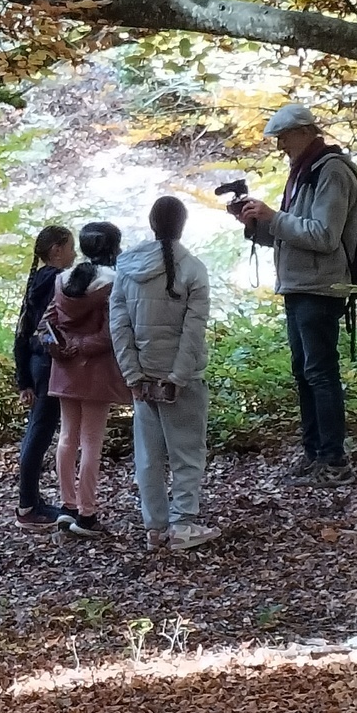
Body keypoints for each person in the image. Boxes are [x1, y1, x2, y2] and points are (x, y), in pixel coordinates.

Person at [239, 103, 357, 487]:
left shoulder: (331, 171)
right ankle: (314, 454)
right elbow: (292, 232)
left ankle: (334, 460)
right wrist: (256, 224)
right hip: (298, 285)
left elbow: (324, 236)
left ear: (306, 132)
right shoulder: (304, 172)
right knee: (304, 372)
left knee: (320, 373)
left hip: (320, 287)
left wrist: (273, 217)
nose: (280, 147)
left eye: (284, 138)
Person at [110, 196, 220, 551]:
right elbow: (193, 332)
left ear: (152, 222)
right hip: (181, 380)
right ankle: (183, 524)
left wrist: (134, 377)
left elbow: (120, 327)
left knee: (148, 456)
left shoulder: (127, 269)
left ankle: (155, 528)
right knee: (187, 453)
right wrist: (178, 377)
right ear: (183, 224)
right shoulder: (193, 268)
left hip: (143, 378)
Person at [46, 221, 131, 537]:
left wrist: (61, 348)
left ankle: (67, 507)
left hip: (65, 369)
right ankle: (87, 514)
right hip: (95, 371)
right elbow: (111, 334)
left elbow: (50, 322)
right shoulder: (113, 282)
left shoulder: (62, 279)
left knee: (67, 437)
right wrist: (81, 346)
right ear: (112, 247)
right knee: (91, 442)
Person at [14, 224, 76, 532]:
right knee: (39, 432)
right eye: (70, 247)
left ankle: (31, 502)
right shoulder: (57, 280)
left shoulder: (37, 281)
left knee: (37, 431)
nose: (74, 254)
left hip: (37, 365)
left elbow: (22, 332)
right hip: (48, 364)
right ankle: (28, 506)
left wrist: (23, 379)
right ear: (56, 250)